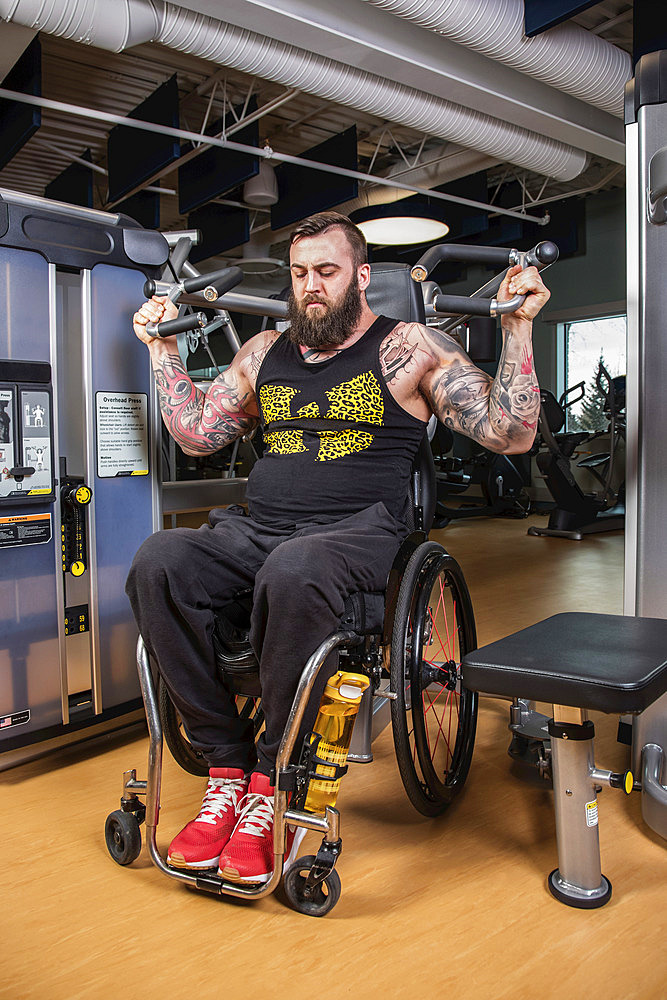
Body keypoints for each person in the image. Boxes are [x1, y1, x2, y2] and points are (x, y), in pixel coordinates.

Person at [127, 210, 549, 884]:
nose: (310, 286)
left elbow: (510, 434)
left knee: (295, 569)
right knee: (158, 563)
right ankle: (225, 766)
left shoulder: (412, 346)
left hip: (357, 532)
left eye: (325, 271)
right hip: (256, 529)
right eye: (299, 274)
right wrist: (161, 350)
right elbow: (199, 436)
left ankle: (270, 781)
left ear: (360, 275)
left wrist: (517, 327)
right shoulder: (264, 351)